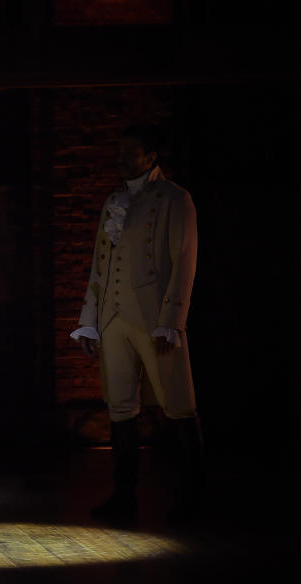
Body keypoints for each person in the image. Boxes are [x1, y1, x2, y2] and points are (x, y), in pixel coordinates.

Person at [71, 125, 205, 525]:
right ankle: (123, 495)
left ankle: (193, 498)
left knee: (179, 406)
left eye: (130, 152)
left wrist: (172, 320)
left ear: (151, 157)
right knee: (120, 408)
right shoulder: (113, 200)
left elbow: (184, 262)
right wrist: (90, 321)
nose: (122, 159)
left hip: (155, 319)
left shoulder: (174, 199)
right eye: (120, 152)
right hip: (114, 319)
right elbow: (99, 266)